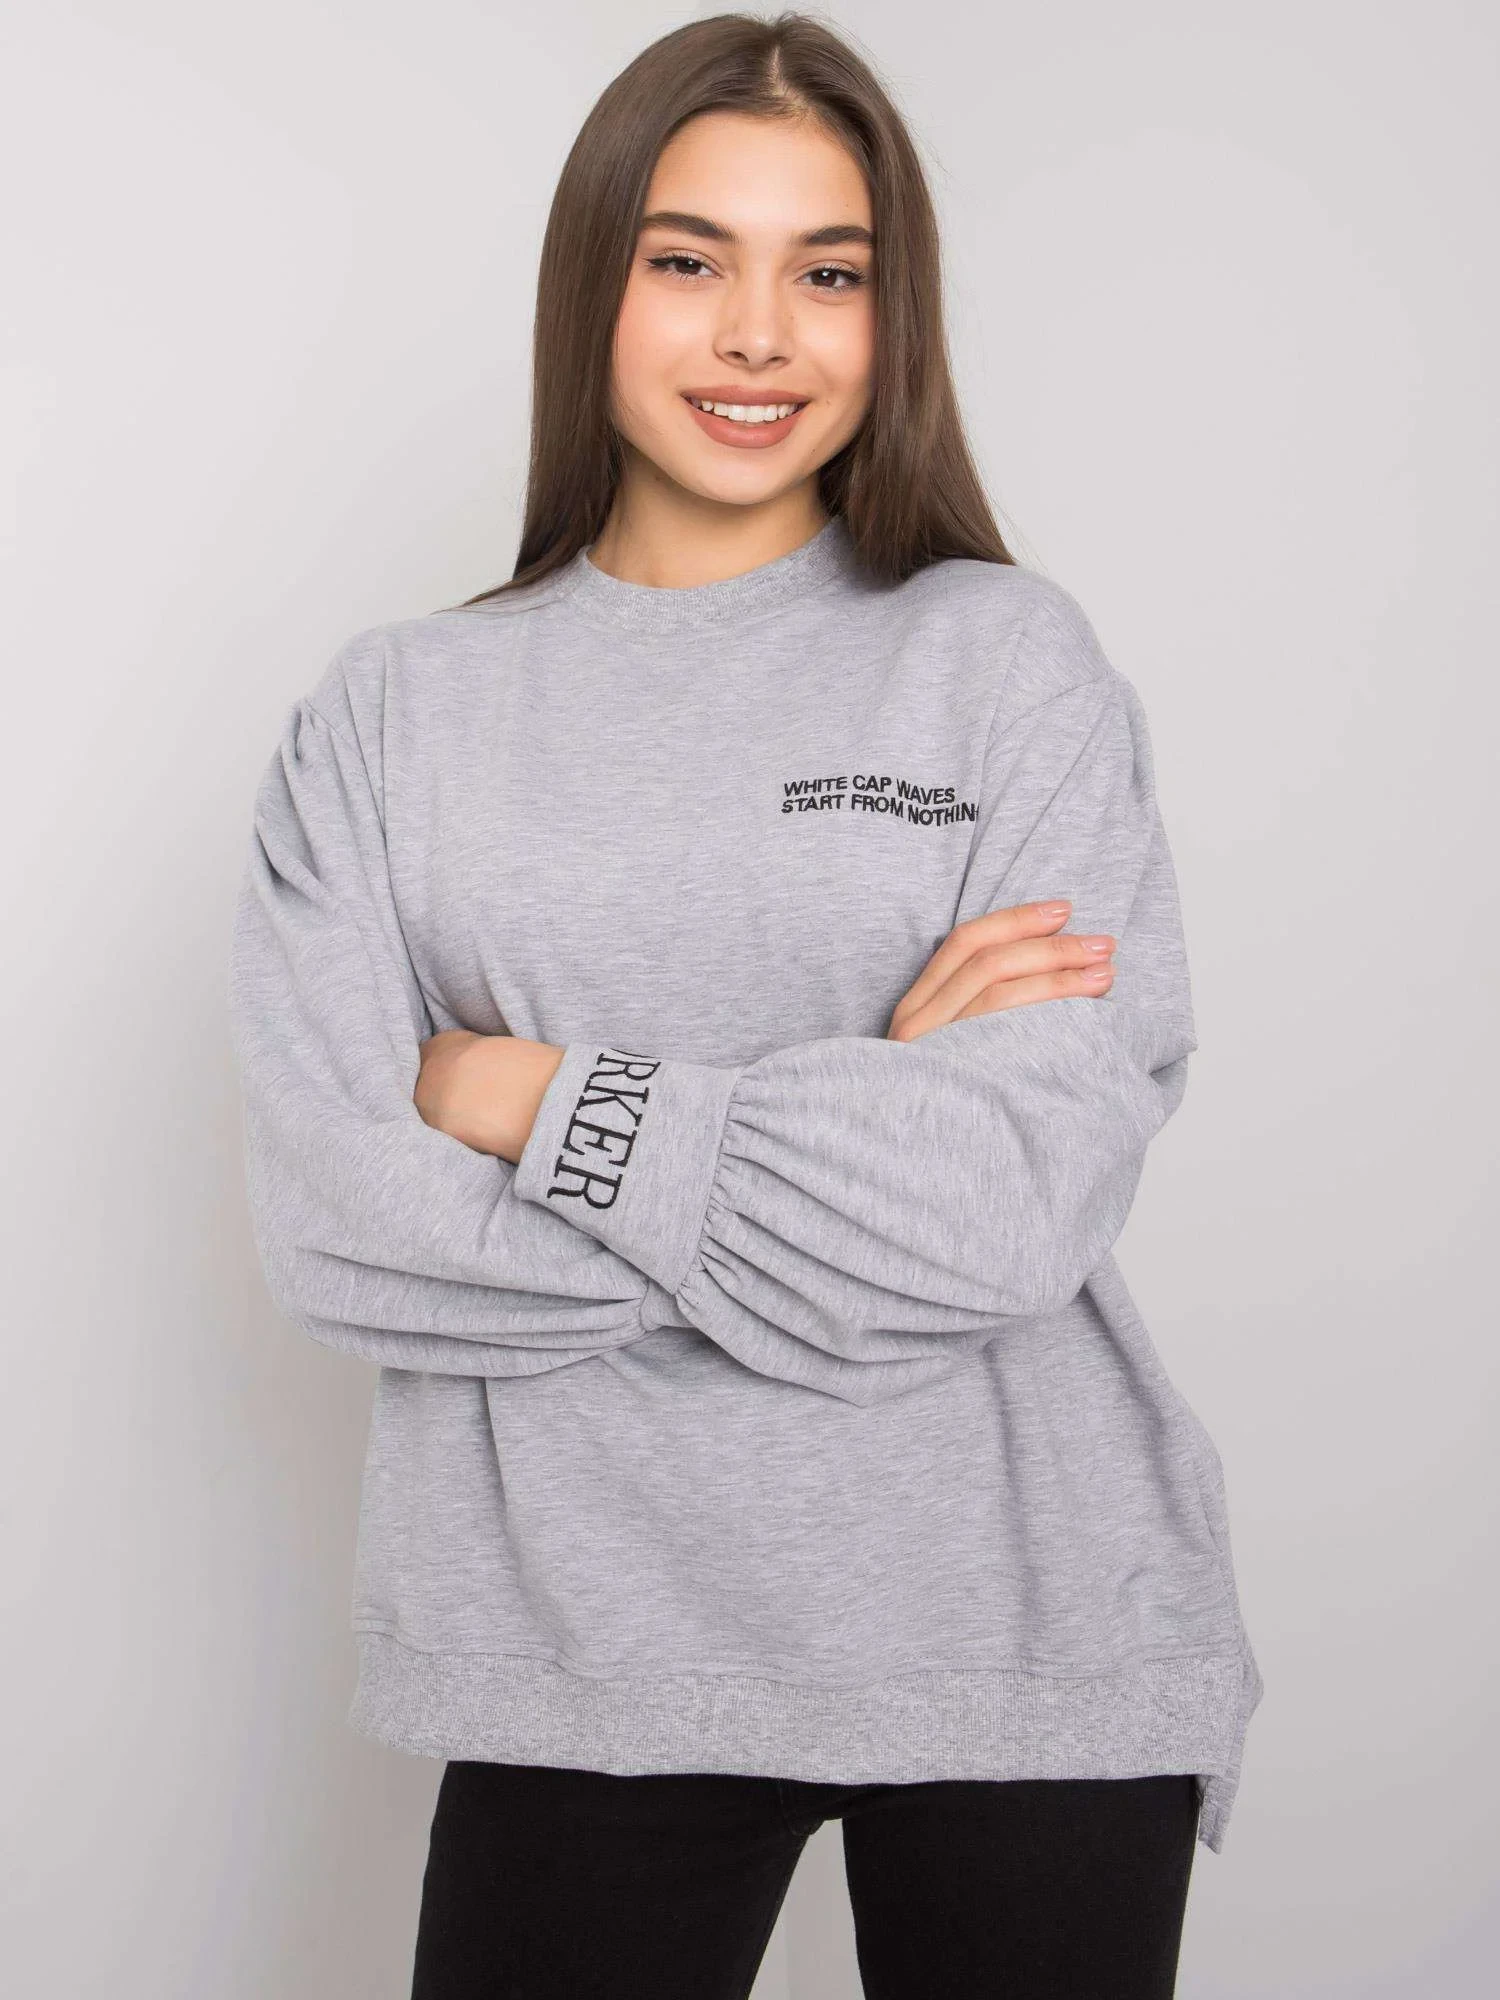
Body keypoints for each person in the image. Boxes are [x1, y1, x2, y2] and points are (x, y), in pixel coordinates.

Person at [226, 12, 1264, 1997]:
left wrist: (527, 1097)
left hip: (1030, 1632)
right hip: (577, 1646)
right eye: (690, 258)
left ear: (894, 315)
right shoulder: (398, 718)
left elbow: (1014, 1203)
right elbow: (341, 1224)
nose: (760, 335)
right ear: (593, 283)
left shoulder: (1005, 665)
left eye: (831, 273)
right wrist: (857, 1134)